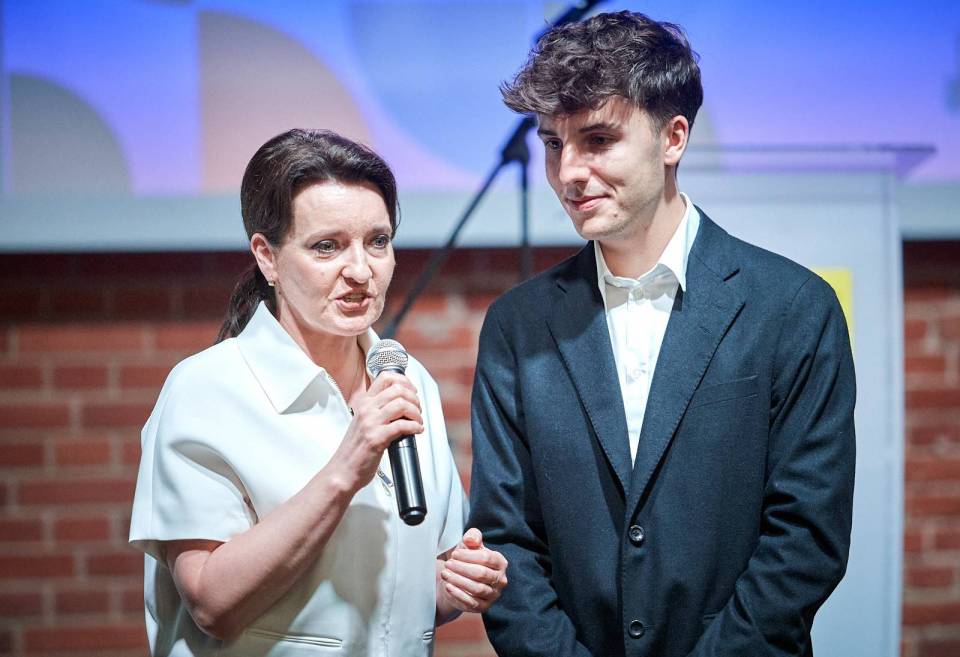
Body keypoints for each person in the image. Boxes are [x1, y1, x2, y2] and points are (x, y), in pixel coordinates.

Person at [468, 11, 855, 657]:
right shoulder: (518, 324)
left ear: (673, 138)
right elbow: (505, 539)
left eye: (597, 140)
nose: (568, 172)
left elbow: (806, 536)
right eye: (553, 144)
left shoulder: (792, 307)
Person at [129, 128, 507, 657]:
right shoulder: (206, 390)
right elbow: (212, 605)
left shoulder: (406, 378)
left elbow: (407, 592)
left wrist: (457, 582)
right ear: (267, 257)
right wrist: (344, 470)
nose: (361, 271)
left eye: (378, 241)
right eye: (326, 247)